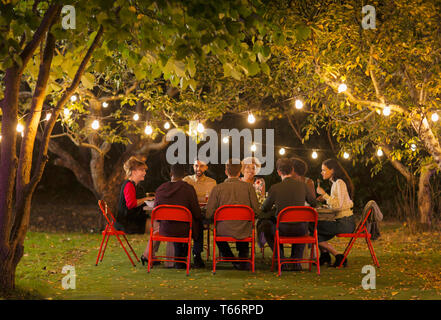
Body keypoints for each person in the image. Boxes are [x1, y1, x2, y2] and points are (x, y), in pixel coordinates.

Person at [259, 158, 318, 271]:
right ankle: (295, 262)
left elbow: (264, 208)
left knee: (267, 227)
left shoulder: (275, 188)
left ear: (279, 172)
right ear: (292, 170)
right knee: (301, 225)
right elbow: (314, 203)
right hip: (300, 229)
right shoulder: (303, 186)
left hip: (282, 229)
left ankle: (280, 259)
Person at [141, 164, 203, 269]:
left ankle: (180, 260)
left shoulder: (161, 189)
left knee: (176, 224)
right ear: (184, 175)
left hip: (165, 229)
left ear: (170, 174)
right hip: (184, 230)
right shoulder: (188, 189)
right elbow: (196, 212)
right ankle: (196, 257)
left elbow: (156, 214)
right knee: (198, 223)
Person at [205, 159, 260, 270]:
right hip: (244, 229)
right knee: (243, 225)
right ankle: (243, 257)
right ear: (240, 172)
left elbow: (209, 213)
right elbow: (257, 211)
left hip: (223, 229)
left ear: (226, 172)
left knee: (217, 233)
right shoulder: (249, 188)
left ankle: (231, 258)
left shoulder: (217, 188)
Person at [315, 158, 356, 267]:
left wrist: (324, 194)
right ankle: (325, 255)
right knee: (313, 228)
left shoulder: (339, 183)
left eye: (324, 170)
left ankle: (338, 256)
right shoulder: (335, 183)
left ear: (332, 170)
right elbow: (336, 204)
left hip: (345, 223)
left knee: (312, 228)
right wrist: (326, 201)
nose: (321, 172)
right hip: (342, 221)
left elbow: (338, 206)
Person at [182, 159, 217, 268]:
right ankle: (193, 254)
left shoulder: (212, 182)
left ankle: (196, 254)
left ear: (206, 168)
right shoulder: (186, 180)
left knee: (199, 222)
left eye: (202, 166)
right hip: (188, 213)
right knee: (197, 222)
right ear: (193, 166)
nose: (198, 168)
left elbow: (213, 201)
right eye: (196, 166)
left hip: (204, 213)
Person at [115, 156, 152, 234]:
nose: (145, 173)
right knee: (160, 227)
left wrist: (148, 197)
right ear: (134, 171)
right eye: (142, 170)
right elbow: (131, 204)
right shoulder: (129, 185)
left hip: (132, 220)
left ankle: (152, 246)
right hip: (128, 223)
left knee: (160, 227)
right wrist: (146, 199)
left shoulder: (134, 185)